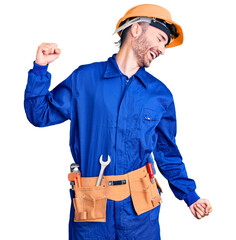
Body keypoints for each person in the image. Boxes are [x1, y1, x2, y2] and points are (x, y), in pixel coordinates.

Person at [24, 4, 212, 240]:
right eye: (160, 38)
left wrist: (190, 196)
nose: (163, 50)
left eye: (165, 44)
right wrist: (40, 69)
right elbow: (39, 114)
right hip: (92, 211)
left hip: (140, 213)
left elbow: (167, 152)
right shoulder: (85, 79)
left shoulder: (159, 95)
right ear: (136, 30)